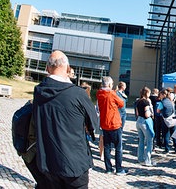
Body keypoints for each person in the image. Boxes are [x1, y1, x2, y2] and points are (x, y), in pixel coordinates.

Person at [33, 51, 98, 188]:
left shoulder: (38, 91)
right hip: (74, 165)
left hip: (47, 162)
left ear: (47, 68)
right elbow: (94, 124)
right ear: (68, 69)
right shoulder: (78, 93)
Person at [97, 76, 126, 175]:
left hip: (104, 123)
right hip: (114, 123)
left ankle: (108, 168)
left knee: (107, 147)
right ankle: (119, 169)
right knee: (118, 147)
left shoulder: (99, 93)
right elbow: (121, 103)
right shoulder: (112, 93)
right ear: (109, 84)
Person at [136, 87, 155, 166]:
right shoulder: (146, 102)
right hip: (145, 121)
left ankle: (140, 158)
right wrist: (151, 114)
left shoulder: (138, 101)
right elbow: (147, 114)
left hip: (139, 121)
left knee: (141, 141)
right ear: (146, 93)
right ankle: (148, 160)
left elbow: (137, 113)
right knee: (149, 141)